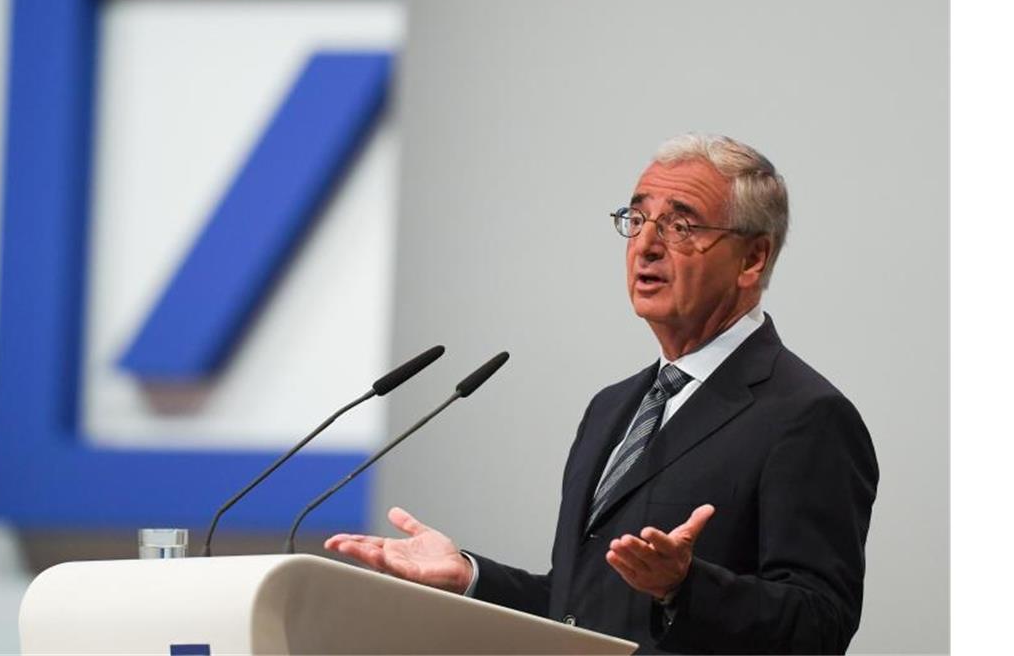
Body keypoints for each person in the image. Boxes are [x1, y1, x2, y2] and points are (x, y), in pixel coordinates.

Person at [325, 133, 878, 654]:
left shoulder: (805, 416)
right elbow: (581, 610)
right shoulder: (613, 407)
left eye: (681, 225)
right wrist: (469, 575)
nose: (646, 245)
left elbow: (820, 625)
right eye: (636, 219)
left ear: (752, 259)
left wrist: (684, 587)